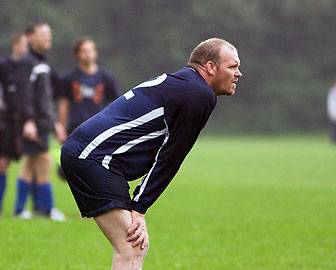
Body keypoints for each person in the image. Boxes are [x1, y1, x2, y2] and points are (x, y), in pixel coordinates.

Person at [60, 37, 242, 269]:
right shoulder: (198, 94)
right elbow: (171, 156)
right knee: (131, 246)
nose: (238, 74)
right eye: (233, 66)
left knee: (135, 246)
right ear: (210, 67)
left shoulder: (186, 84)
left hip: (92, 154)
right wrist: (140, 207)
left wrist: (139, 204)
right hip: (94, 157)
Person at [14, 22, 66, 220]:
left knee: (32, 163)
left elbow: (44, 99)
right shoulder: (27, 62)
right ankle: (48, 208)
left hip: (42, 122)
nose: (47, 39)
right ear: (32, 37)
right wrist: (28, 120)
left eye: (49, 35)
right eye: (43, 35)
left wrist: (54, 123)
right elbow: (25, 94)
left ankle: (21, 209)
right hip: (34, 123)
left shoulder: (42, 63)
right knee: (43, 161)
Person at [58, 37, 121, 136]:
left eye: (90, 50)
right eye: (84, 51)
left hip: (100, 129)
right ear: (77, 54)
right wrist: (61, 127)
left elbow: (117, 103)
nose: (88, 54)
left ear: (96, 53)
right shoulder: (69, 78)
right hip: (76, 129)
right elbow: (64, 104)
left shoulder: (106, 77)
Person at [0, 32, 29, 215]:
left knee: (7, 163)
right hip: (3, 122)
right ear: (15, 45)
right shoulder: (4, 66)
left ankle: (18, 208)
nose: (25, 49)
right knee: (2, 164)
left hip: (16, 124)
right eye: (23, 45)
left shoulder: (28, 67)